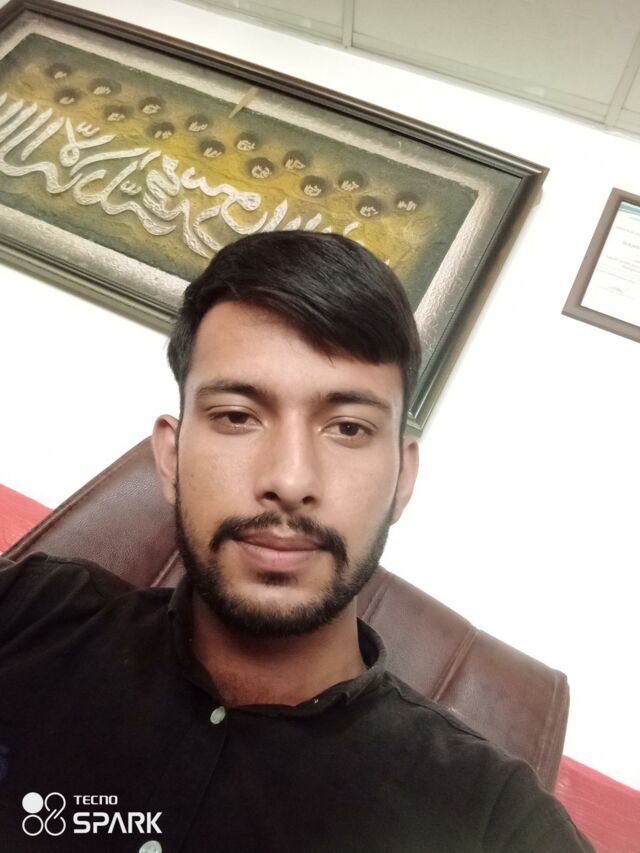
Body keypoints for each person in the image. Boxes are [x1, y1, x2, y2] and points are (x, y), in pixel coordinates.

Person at [0, 231, 593, 852]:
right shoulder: (27, 612)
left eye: (348, 428)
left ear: (402, 479)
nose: (289, 481)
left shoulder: (495, 823)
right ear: (171, 459)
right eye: (237, 416)